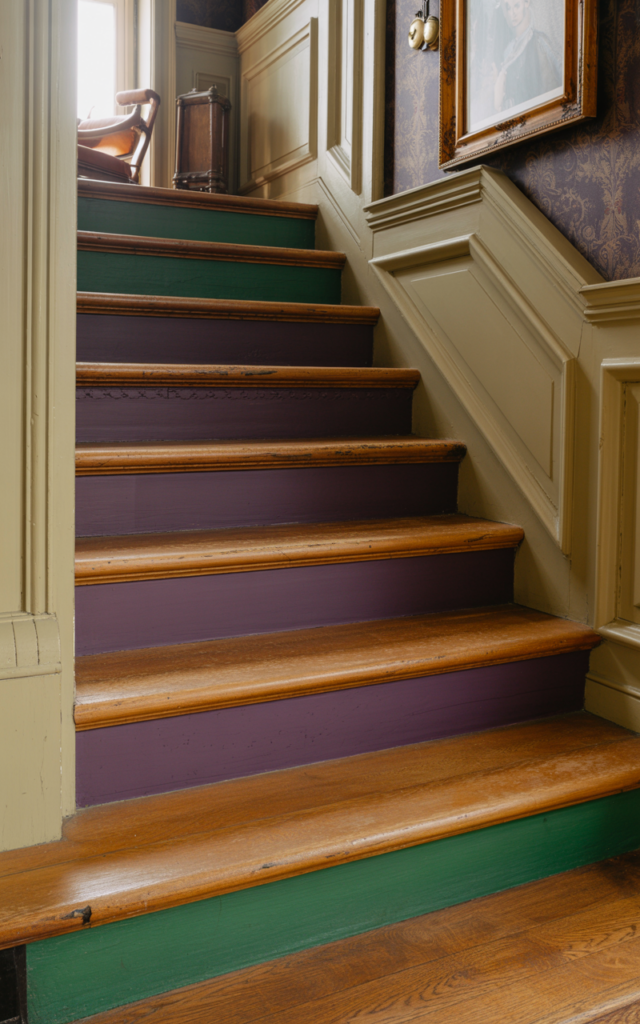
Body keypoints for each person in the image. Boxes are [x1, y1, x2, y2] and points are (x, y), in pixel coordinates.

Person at [493, 0, 561, 114]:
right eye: (509, 8)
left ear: (527, 3)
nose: (512, 13)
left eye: (516, 6)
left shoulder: (540, 41)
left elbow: (563, 75)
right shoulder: (508, 52)